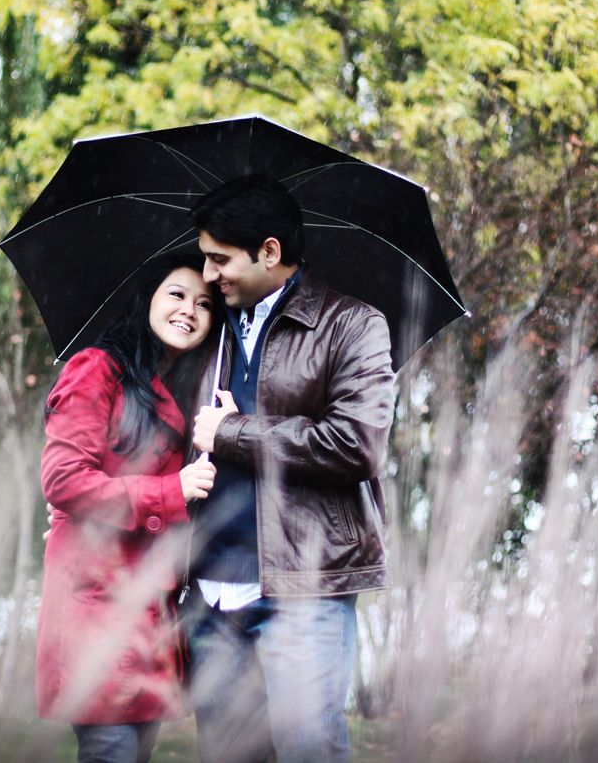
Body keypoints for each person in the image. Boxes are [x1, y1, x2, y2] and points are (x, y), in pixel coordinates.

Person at [184, 175, 396, 763]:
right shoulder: (208, 325)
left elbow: (358, 445)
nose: (207, 275)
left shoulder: (353, 325)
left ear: (270, 252)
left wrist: (234, 432)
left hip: (303, 589)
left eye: (220, 260)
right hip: (210, 597)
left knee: (310, 752)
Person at [36, 253, 221, 763]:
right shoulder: (97, 370)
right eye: (177, 294)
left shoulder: (173, 397)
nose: (190, 309)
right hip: (96, 612)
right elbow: (63, 479)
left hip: (148, 622)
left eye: (205, 304)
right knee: (110, 750)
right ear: (147, 300)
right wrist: (171, 491)